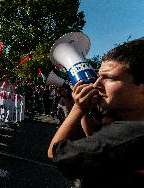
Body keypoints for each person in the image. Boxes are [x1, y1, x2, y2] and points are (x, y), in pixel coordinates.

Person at [48, 39, 144, 187]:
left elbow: (55, 153)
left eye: (109, 77)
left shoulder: (127, 135)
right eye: (99, 76)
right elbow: (93, 136)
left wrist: (78, 109)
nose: (97, 84)